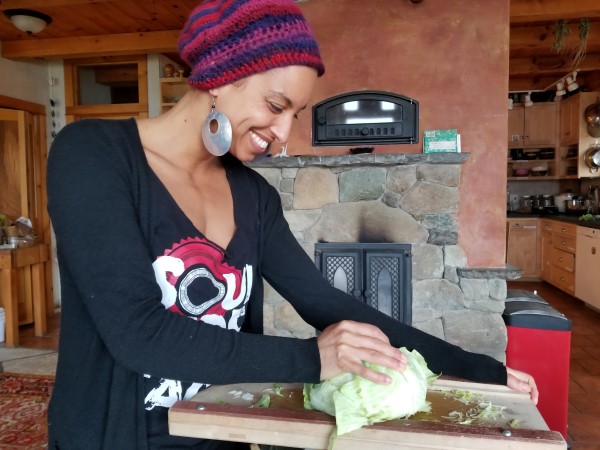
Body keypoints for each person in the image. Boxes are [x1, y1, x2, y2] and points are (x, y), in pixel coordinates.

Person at [46, 0, 538, 448]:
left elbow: (326, 302)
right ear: (219, 77)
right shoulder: (92, 156)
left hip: (222, 430)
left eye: (296, 114)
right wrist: (312, 358)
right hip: (116, 436)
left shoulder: (253, 196)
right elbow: (137, 333)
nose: (283, 135)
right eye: (276, 106)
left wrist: (475, 368)